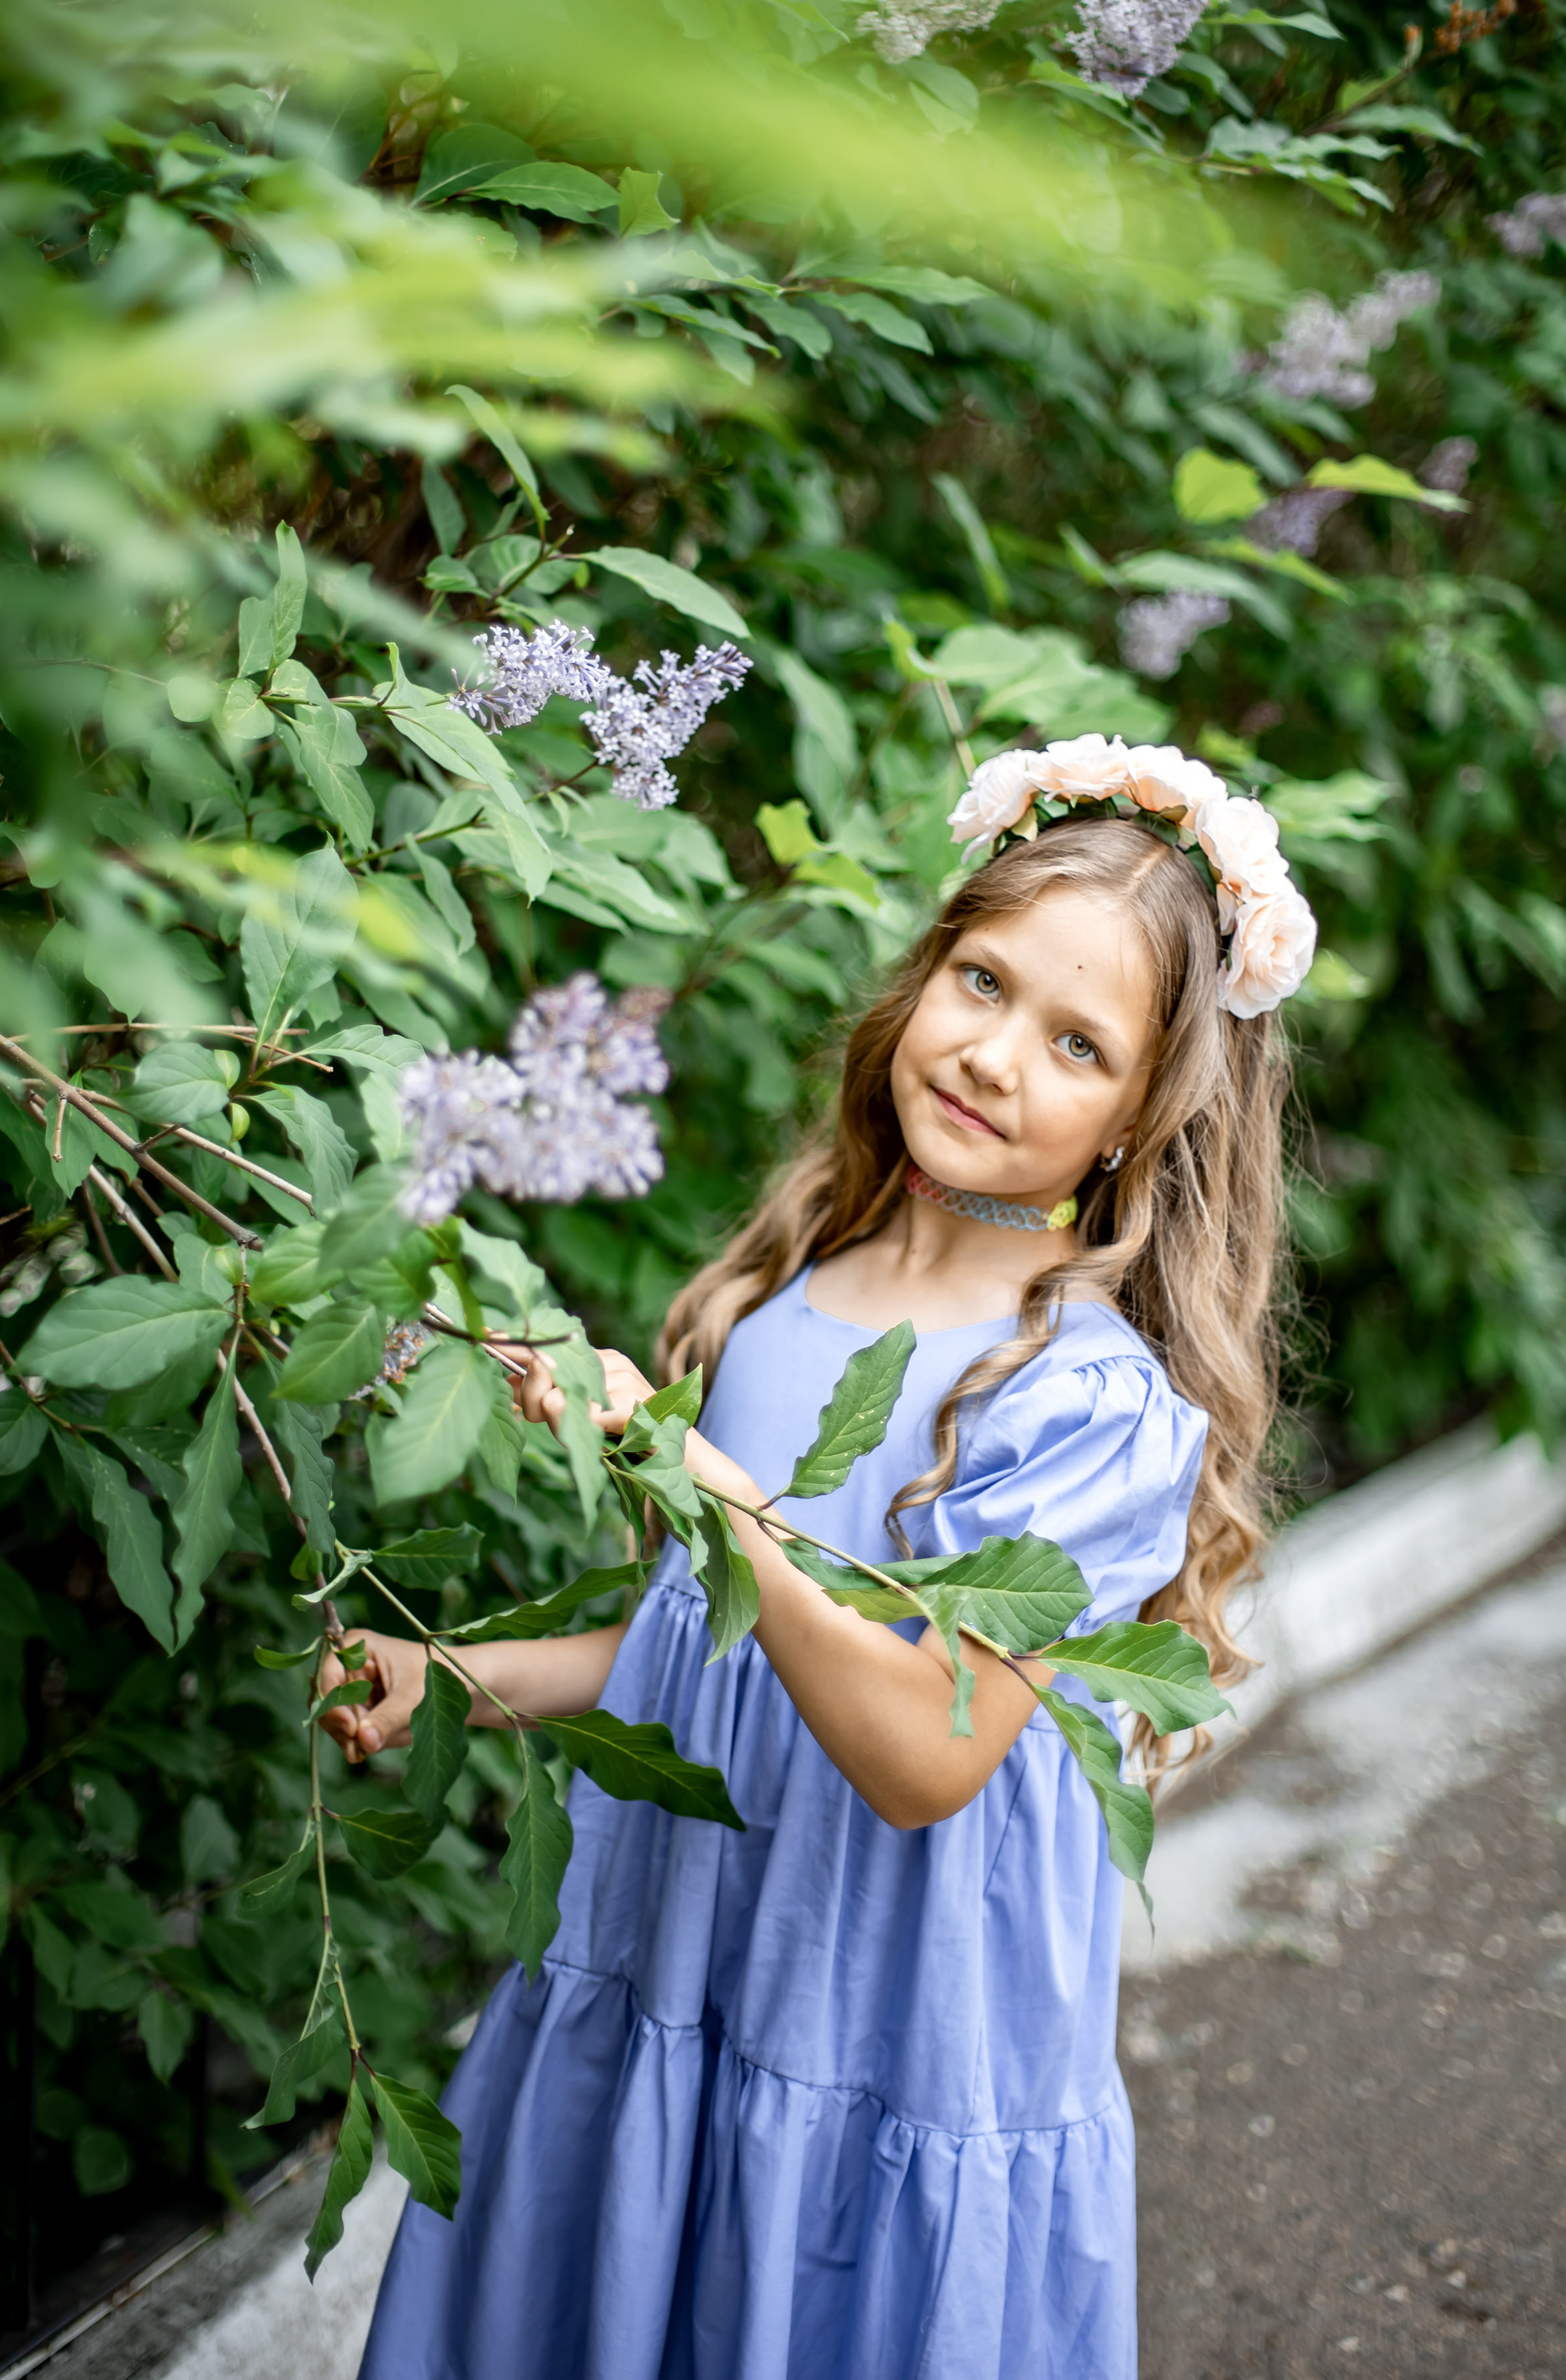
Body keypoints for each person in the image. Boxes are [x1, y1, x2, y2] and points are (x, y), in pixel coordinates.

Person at [320, 738, 1308, 2379]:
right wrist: (451, 1679)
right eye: (980, 982)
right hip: (679, 1963)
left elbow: (926, 1748)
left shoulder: (1090, 1405)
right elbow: (697, 1653)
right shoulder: (796, 1288)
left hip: (872, 2028)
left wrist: (692, 1475)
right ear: (922, 973)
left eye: (1076, 1043)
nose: (995, 1055)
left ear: (1145, 1112)